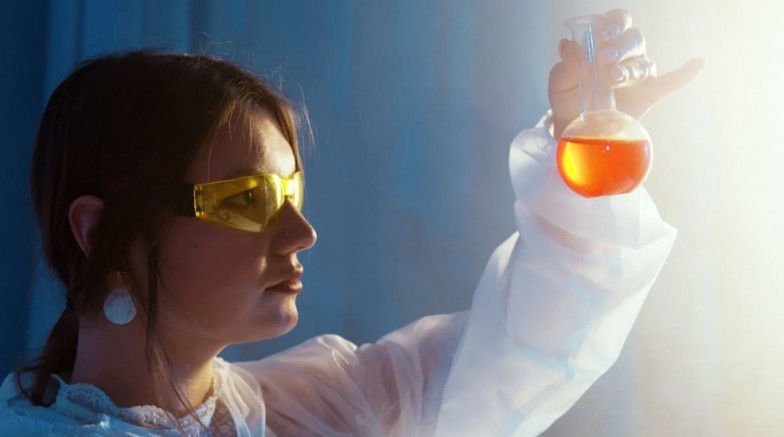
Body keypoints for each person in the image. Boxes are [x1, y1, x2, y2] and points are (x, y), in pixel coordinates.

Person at [0, 9, 703, 437]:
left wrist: (586, 152)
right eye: (247, 198)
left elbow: (523, 350)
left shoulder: (323, 408)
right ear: (104, 235)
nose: (301, 232)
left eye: (292, 192)